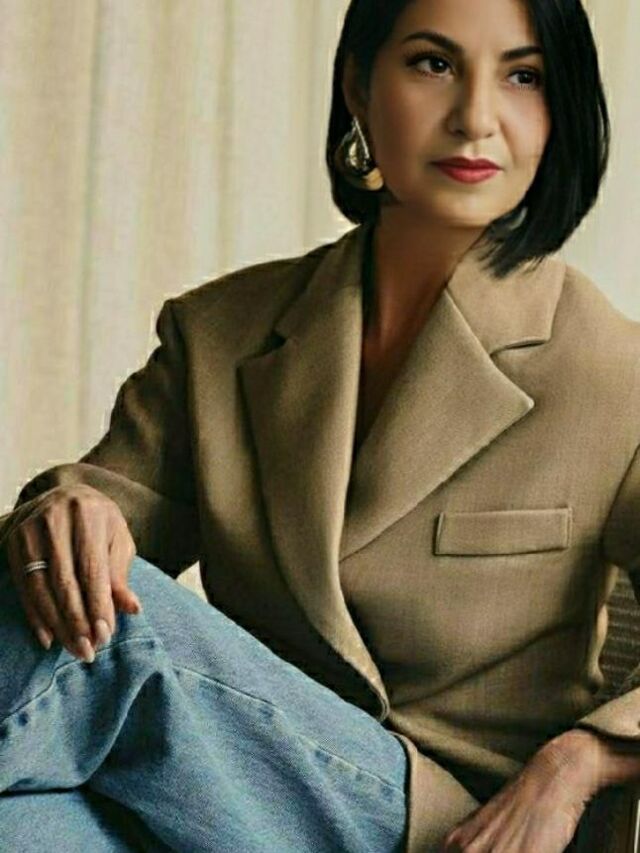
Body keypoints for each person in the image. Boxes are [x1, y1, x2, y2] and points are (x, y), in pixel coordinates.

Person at [1, 0, 639, 850]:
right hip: (224, 801)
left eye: (523, 76)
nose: (476, 116)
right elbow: (109, 506)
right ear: (358, 87)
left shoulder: (617, 374)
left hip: (450, 826)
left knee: (123, 641)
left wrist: (582, 758)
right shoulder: (220, 332)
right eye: (434, 64)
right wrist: (67, 510)